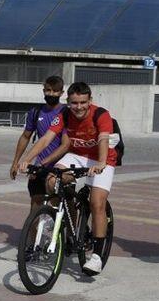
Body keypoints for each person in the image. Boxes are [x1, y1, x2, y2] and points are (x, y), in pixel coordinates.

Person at [16, 82, 118, 276]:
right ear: (68, 101)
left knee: (97, 203)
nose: (78, 107)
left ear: (90, 100)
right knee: (53, 181)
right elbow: (46, 138)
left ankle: (96, 256)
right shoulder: (63, 114)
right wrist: (27, 160)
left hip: (102, 158)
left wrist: (102, 163)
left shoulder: (101, 114)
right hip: (77, 155)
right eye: (74, 103)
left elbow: (104, 139)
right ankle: (68, 219)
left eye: (82, 102)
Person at [10, 76, 68, 214]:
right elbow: (25, 136)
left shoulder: (66, 113)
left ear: (61, 93)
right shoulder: (35, 112)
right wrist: (15, 162)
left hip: (61, 165)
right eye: (48, 90)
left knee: (58, 204)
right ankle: (33, 234)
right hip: (39, 165)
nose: (51, 94)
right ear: (43, 91)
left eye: (55, 91)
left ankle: (69, 234)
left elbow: (66, 144)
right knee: (35, 205)